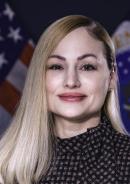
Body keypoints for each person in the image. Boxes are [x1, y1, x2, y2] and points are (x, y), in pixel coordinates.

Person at [0, 15, 130, 184]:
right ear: (39, 77)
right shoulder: (6, 166)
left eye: (87, 66)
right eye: (56, 66)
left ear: (112, 77)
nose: (71, 81)